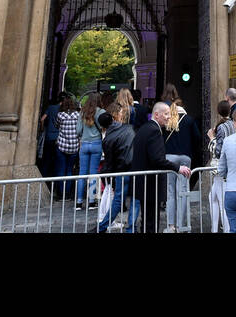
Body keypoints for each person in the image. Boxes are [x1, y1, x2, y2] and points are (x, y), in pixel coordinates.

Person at [130, 101, 192, 233]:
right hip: (150, 184)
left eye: (169, 114)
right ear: (156, 114)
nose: (169, 117)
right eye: (166, 114)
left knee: (147, 219)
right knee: (151, 220)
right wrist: (178, 168)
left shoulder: (145, 128)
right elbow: (158, 159)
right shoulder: (154, 131)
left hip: (143, 183)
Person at [160, 85, 197, 233]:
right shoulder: (188, 119)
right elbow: (198, 137)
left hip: (169, 158)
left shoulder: (167, 121)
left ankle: (171, 225)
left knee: (170, 193)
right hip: (185, 157)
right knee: (182, 191)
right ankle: (182, 225)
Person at [95, 103, 135, 233]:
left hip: (120, 171)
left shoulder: (108, 138)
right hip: (131, 168)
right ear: (114, 118)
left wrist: (109, 175)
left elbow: (110, 160)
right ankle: (129, 227)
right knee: (133, 200)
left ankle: (103, 225)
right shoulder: (128, 129)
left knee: (116, 199)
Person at [207, 100, 233, 232]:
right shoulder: (232, 124)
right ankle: (214, 229)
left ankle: (225, 230)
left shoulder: (222, 127)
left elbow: (219, 151)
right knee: (213, 197)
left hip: (221, 169)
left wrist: (211, 138)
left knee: (221, 201)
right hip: (226, 168)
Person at [76, 93, 104, 209]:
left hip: (84, 143)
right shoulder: (101, 112)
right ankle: (92, 201)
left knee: (82, 173)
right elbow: (104, 128)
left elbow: (78, 131)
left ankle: (79, 202)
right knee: (93, 174)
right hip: (97, 144)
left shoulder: (82, 112)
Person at [55, 95, 82, 198]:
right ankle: (68, 194)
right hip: (74, 147)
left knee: (61, 170)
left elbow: (57, 126)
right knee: (70, 170)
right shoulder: (77, 115)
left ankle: (61, 194)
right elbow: (79, 129)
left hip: (62, 145)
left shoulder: (60, 115)